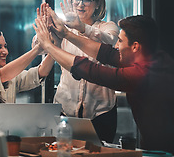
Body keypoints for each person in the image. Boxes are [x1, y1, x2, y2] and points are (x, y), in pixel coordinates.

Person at [33, 9, 174, 154]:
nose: (116, 46)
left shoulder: (141, 74)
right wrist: (67, 34)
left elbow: (92, 71)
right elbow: (107, 54)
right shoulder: (156, 59)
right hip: (156, 145)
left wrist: (49, 46)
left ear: (135, 46)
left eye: (120, 41)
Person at [39, 0, 119, 142]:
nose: (80, 4)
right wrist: (47, 29)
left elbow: (108, 44)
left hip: (101, 112)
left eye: (87, 0)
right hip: (65, 109)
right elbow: (39, 46)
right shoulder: (63, 28)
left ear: (98, 3)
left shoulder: (108, 27)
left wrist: (81, 28)